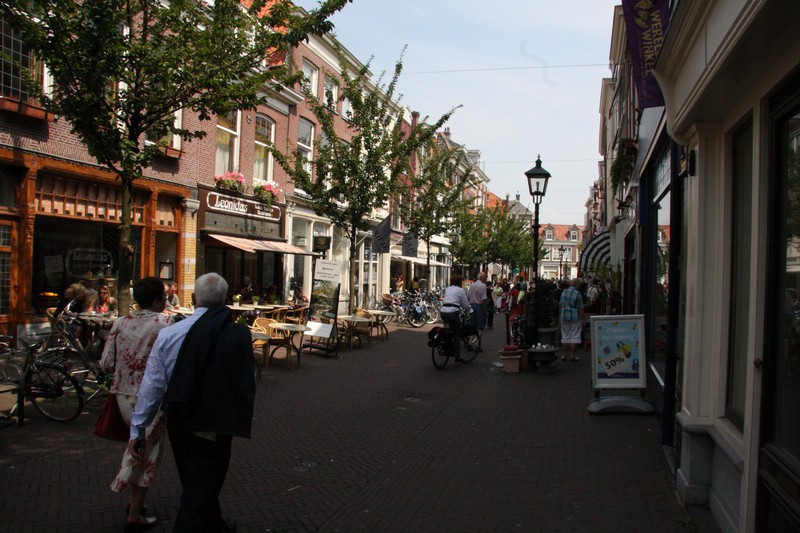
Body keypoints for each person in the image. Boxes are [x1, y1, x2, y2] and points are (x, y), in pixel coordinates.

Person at [128, 273, 255, 532]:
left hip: (179, 420)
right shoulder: (237, 334)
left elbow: (152, 386)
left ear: (195, 298)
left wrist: (138, 430)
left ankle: (215, 525)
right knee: (201, 487)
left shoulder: (169, 334)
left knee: (194, 480)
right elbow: (244, 380)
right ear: (225, 300)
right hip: (214, 423)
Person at [100, 277, 173, 531]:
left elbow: (106, 363)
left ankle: (134, 503)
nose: (166, 301)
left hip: (122, 395)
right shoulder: (165, 323)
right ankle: (133, 514)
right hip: (152, 398)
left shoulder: (120, 322)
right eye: (164, 297)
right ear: (157, 300)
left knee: (138, 446)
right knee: (147, 454)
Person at [440, 274, 470, 362]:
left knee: (447, 330)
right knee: (457, 334)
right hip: (453, 312)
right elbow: (465, 304)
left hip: (443, 312)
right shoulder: (460, 290)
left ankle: (446, 344)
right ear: (460, 282)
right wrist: (469, 310)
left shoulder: (447, 289)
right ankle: (457, 356)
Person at [559, 278, 585, 362]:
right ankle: (573, 355)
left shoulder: (564, 292)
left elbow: (561, 305)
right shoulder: (578, 294)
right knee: (575, 335)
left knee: (565, 335)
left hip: (564, 315)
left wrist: (560, 316)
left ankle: (564, 354)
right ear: (577, 285)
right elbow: (580, 308)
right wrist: (583, 319)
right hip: (575, 316)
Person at [467, 272, 488, 342]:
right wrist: (486, 311)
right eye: (485, 277)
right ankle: (477, 342)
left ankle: (470, 341)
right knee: (481, 326)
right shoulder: (483, 286)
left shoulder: (472, 285)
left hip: (471, 306)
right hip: (479, 306)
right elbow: (483, 300)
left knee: (473, 325)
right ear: (481, 277)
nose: (486, 279)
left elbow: (468, 296)